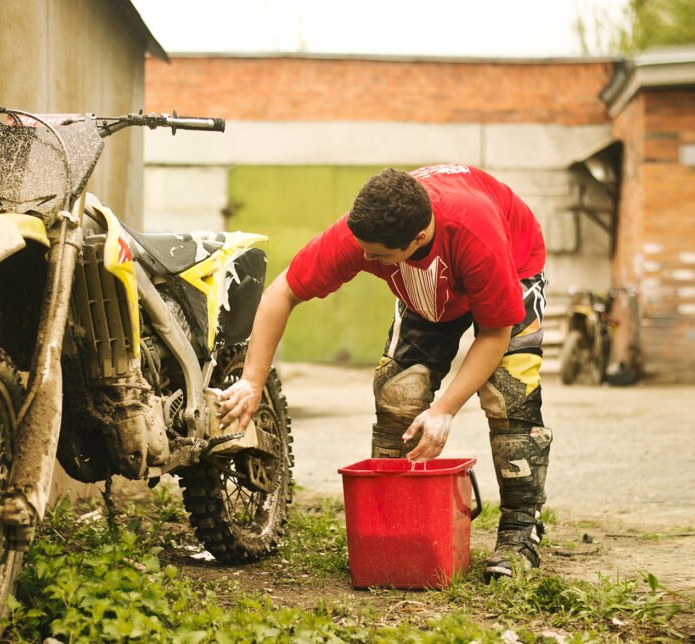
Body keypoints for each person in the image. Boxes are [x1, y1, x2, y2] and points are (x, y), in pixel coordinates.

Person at [219, 165, 552, 581]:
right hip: (431, 284)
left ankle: (520, 534)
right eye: (363, 250)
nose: (365, 260)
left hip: (511, 264)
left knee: (508, 393)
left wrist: (446, 409)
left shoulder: (475, 232)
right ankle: (392, 522)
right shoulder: (359, 235)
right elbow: (281, 294)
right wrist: (251, 381)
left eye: (376, 256)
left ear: (416, 239)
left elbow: (494, 335)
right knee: (399, 390)